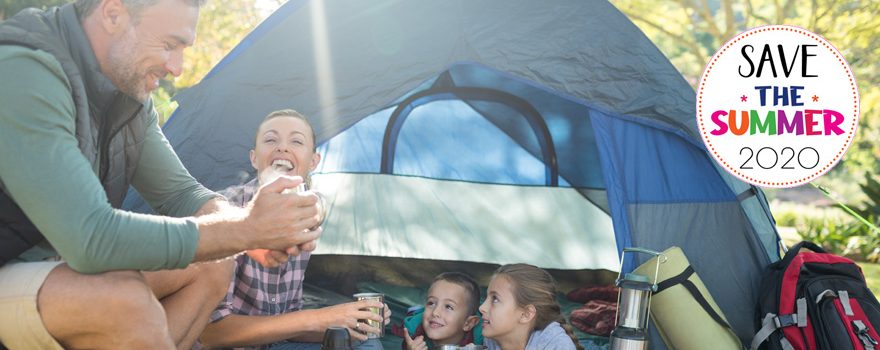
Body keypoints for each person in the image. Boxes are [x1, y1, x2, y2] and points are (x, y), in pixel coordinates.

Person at [0, 1, 322, 349]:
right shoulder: (24, 69)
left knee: (216, 265)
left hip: (55, 261)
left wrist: (255, 229)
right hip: (13, 262)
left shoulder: (127, 93)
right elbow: (91, 239)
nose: (178, 68)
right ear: (112, 13)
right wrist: (245, 229)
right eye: (169, 45)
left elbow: (181, 194)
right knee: (124, 302)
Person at [200, 109, 390, 350]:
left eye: (296, 141)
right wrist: (320, 318)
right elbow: (211, 334)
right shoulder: (227, 209)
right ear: (254, 158)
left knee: (366, 344)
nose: (282, 148)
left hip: (272, 345)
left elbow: (287, 325)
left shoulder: (305, 214)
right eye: (271, 140)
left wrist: (349, 322)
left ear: (313, 162)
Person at [479, 264, 583, 350]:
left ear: (526, 314)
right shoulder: (493, 338)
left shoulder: (557, 345)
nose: (482, 307)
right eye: (487, 297)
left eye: (495, 299)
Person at [402, 272, 483, 350]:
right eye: (431, 303)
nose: (435, 312)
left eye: (448, 307)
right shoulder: (414, 334)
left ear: (468, 323)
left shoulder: (481, 340)